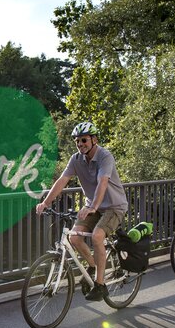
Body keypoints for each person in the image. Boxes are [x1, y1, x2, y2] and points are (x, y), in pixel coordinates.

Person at [36, 121, 128, 301]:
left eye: (84, 140)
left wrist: (93, 207)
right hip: (92, 206)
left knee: (97, 236)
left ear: (94, 139)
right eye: (77, 141)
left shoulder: (105, 156)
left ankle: (100, 285)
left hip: (113, 206)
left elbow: (102, 183)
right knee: (74, 238)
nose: (80, 144)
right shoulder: (76, 159)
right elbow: (62, 180)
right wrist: (46, 202)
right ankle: (93, 266)